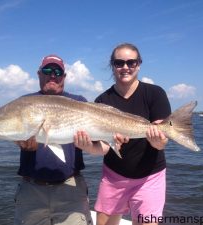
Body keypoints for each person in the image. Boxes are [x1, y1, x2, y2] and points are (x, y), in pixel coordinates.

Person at [74, 43, 171, 225]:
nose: (125, 67)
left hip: (150, 176)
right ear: (113, 66)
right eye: (119, 63)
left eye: (131, 62)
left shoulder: (155, 94)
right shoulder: (102, 101)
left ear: (139, 64)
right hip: (114, 175)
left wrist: (157, 139)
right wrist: (86, 145)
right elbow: (102, 147)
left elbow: (161, 144)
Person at [14, 54, 93, 225]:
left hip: (71, 190)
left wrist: (90, 145)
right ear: (39, 74)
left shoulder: (79, 102)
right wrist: (23, 144)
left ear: (64, 76)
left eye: (57, 71)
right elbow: (16, 134)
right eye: (47, 70)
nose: (52, 75)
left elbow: (97, 146)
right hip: (31, 192)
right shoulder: (24, 103)